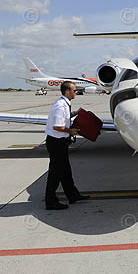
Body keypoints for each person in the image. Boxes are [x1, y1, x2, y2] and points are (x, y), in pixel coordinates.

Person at [44, 81, 90, 209]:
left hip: (60, 142)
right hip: (56, 143)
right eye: (74, 91)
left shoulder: (64, 104)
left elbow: (64, 118)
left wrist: (75, 113)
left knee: (65, 172)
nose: (76, 93)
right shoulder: (61, 106)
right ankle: (50, 201)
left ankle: (73, 195)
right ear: (67, 91)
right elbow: (57, 126)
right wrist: (70, 131)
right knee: (55, 173)